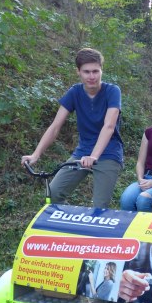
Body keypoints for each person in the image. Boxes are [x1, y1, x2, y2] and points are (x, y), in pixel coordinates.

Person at [21, 48, 123, 208]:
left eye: (96, 71)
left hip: (108, 152)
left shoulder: (112, 91)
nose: (91, 76)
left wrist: (94, 156)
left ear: (102, 70)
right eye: (86, 72)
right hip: (83, 152)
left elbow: (109, 126)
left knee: (99, 206)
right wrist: (36, 154)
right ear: (78, 72)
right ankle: (70, 227)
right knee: (53, 194)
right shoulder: (75, 92)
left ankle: (95, 230)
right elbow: (55, 127)